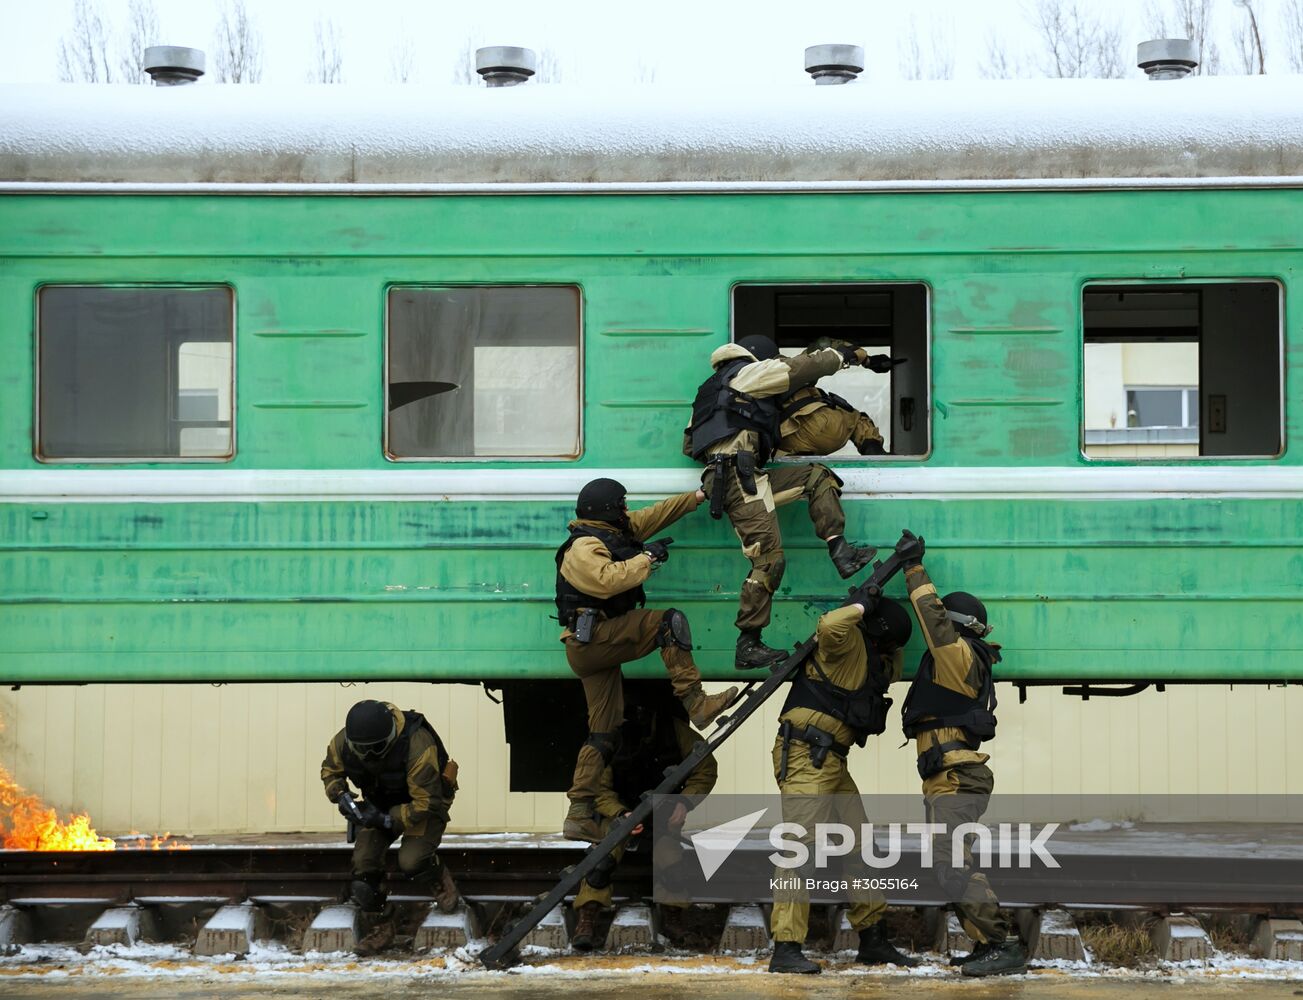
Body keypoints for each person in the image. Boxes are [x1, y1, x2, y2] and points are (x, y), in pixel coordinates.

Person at [684, 335, 884, 670]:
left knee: (817, 476)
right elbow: (802, 367)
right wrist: (843, 356)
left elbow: (690, 445)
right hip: (738, 479)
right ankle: (748, 643)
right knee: (769, 561)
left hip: (747, 475)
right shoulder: (746, 373)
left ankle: (841, 551)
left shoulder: (714, 389)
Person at [557, 477, 738, 843]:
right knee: (666, 624)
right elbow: (606, 581)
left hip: (592, 645)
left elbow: (656, 515)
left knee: (605, 735)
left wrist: (699, 496)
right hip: (594, 640)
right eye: (621, 505)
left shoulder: (613, 531)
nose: (627, 510)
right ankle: (696, 702)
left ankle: (578, 813)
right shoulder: (584, 546)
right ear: (606, 509)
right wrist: (648, 558)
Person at [768, 592, 920, 974]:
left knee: (860, 846)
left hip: (831, 758)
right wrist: (864, 606)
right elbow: (831, 624)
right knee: (798, 850)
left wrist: (867, 608)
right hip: (806, 754)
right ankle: (785, 949)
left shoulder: (873, 658)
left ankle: (873, 940)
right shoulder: (848, 643)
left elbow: (888, 660)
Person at [896, 532, 1027, 977]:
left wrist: (914, 569)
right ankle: (985, 945)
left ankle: (1001, 944)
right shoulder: (966, 661)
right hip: (948, 777)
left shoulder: (959, 657)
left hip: (955, 777)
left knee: (952, 868)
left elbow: (934, 622)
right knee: (951, 866)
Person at [569, 682, 718, 952]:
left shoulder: (676, 732)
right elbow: (598, 788)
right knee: (600, 861)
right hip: (618, 815)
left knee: (671, 860)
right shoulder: (608, 738)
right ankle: (587, 917)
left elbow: (705, 769)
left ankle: (673, 917)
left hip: (663, 812)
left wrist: (684, 802)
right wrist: (621, 814)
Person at [321, 699, 460, 914]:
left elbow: (426, 802)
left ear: (391, 737)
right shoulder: (342, 742)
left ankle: (438, 877)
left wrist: (385, 820)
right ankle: (380, 912)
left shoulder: (418, 745)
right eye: (361, 750)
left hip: (425, 806)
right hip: (381, 803)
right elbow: (330, 771)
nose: (368, 756)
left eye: (376, 749)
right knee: (363, 866)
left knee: (412, 861)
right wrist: (340, 796)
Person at [775, 339, 904, 458]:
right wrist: (866, 360)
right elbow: (823, 344)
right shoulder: (792, 366)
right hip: (822, 425)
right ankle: (875, 452)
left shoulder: (757, 380)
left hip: (785, 442)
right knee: (857, 421)